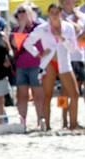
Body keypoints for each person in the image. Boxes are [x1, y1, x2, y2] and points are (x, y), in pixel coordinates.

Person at [24, 3, 79, 130]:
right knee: (48, 95)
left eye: (57, 12)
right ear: (48, 14)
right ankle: (47, 125)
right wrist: (38, 53)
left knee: (71, 94)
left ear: (61, 13)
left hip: (64, 63)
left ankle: (70, 123)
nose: (54, 15)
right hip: (49, 63)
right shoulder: (42, 28)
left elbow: (73, 48)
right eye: (52, 12)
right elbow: (27, 42)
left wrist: (61, 37)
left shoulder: (68, 27)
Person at [11, 3, 45, 128]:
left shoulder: (39, 26)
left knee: (38, 94)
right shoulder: (16, 29)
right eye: (19, 12)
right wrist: (22, 27)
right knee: (22, 95)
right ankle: (22, 122)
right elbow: (16, 45)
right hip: (21, 66)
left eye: (24, 11)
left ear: (31, 13)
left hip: (37, 65)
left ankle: (40, 120)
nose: (21, 14)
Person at [60, 0, 85, 129]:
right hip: (64, 57)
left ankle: (72, 118)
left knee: (76, 91)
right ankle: (63, 118)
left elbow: (81, 32)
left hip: (79, 56)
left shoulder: (81, 16)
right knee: (64, 92)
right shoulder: (58, 15)